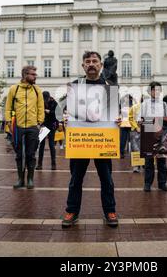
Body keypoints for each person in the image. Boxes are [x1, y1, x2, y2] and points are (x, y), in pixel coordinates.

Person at [61, 51, 119, 228]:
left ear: (101, 65)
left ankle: (110, 210)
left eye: (95, 61)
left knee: (106, 178)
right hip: (81, 140)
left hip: (103, 140)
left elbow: (115, 111)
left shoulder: (110, 85)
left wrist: (118, 119)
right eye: (88, 61)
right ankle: (72, 211)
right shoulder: (75, 86)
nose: (91, 64)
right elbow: (68, 111)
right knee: (76, 179)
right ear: (83, 66)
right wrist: (65, 117)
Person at [4, 65, 44, 189]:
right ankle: (20, 179)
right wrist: (9, 122)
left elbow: (40, 107)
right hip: (18, 127)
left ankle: (30, 179)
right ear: (25, 75)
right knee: (19, 155)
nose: (35, 76)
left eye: (35, 74)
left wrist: (39, 122)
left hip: (33, 127)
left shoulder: (37, 90)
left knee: (31, 154)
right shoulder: (14, 89)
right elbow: (8, 107)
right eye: (33, 74)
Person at [141, 81, 167, 192]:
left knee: (162, 160)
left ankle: (162, 183)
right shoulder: (145, 104)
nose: (156, 92)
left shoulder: (163, 104)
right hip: (148, 133)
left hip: (161, 133)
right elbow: (141, 118)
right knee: (148, 161)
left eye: (158, 89)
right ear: (150, 91)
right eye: (153, 89)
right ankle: (147, 183)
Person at [37, 91, 58, 170]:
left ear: (49, 97)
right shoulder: (41, 102)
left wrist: (50, 111)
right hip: (44, 125)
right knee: (41, 145)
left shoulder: (54, 103)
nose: (45, 101)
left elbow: (57, 114)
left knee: (51, 145)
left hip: (51, 125)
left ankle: (53, 164)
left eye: (46, 99)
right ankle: (39, 164)